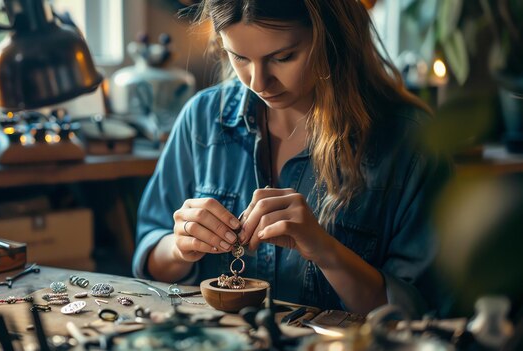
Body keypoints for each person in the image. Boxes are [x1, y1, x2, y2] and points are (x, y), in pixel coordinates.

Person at [132, 0, 450, 317]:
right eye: (239, 57)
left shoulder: (410, 143)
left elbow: (421, 315)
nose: (258, 82)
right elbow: (149, 265)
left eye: (283, 57)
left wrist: (326, 252)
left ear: (332, 37)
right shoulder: (202, 119)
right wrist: (177, 248)